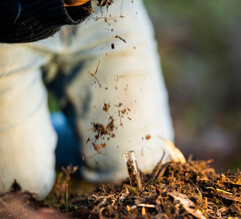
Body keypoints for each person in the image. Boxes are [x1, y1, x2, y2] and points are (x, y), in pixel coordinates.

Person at [0, 0, 174, 199]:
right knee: (20, 189)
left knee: (142, 167)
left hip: (106, 13)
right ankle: (31, 136)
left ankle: (43, 131)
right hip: (9, 25)